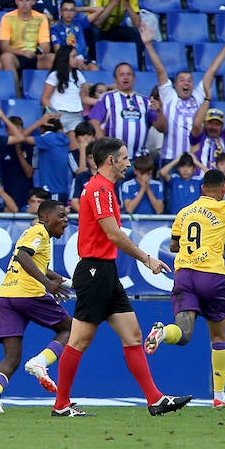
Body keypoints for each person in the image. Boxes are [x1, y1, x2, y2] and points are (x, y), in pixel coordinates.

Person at [51, 137, 190, 417]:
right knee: (79, 340)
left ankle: (155, 399)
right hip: (94, 272)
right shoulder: (100, 190)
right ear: (110, 160)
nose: (129, 162)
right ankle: (61, 404)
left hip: (105, 271)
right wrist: (147, 258)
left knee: (133, 335)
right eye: (125, 157)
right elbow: (113, 233)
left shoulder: (106, 189)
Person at [143, 169, 225, 408]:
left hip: (184, 275)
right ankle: (219, 395)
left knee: (183, 333)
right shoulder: (223, 208)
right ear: (222, 190)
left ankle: (161, 332)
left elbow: (173, 245)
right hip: (211, 276)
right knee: (218, 336)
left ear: (202, 188)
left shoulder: (185, 211)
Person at [0, 198, 73, 412]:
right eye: (61, 216)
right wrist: (47, 284)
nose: (66, 221)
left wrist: (62, 280)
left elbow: (36, 263)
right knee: (71, 328)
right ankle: (40, 362)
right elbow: (23, 256)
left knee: (12, 356)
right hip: (27, 293)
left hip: (6, 296)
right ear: (45, 217)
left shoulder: (36, 237)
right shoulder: (38, 231)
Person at [147, 23, 225, 162]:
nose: (186, 83)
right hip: (171, 159)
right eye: (182, 80)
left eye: (189, 80)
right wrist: (147, 44)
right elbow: (160, 69)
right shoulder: (169, 96)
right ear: (175, 85)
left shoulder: (198, 96)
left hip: (194, 161)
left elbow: (212, 71)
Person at [0, 0, 53, 71]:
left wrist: (41, 53)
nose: (24, 4)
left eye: (27, 0)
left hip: (34, 55)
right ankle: (14, 85)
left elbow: (45, 46)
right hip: (15, 55)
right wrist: (23, 52)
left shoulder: (41, 18)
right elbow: (4, 47)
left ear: (34, 1)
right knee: (5, 57)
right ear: (16, 1)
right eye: (21, 0)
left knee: (55, 59)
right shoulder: (7, 18)